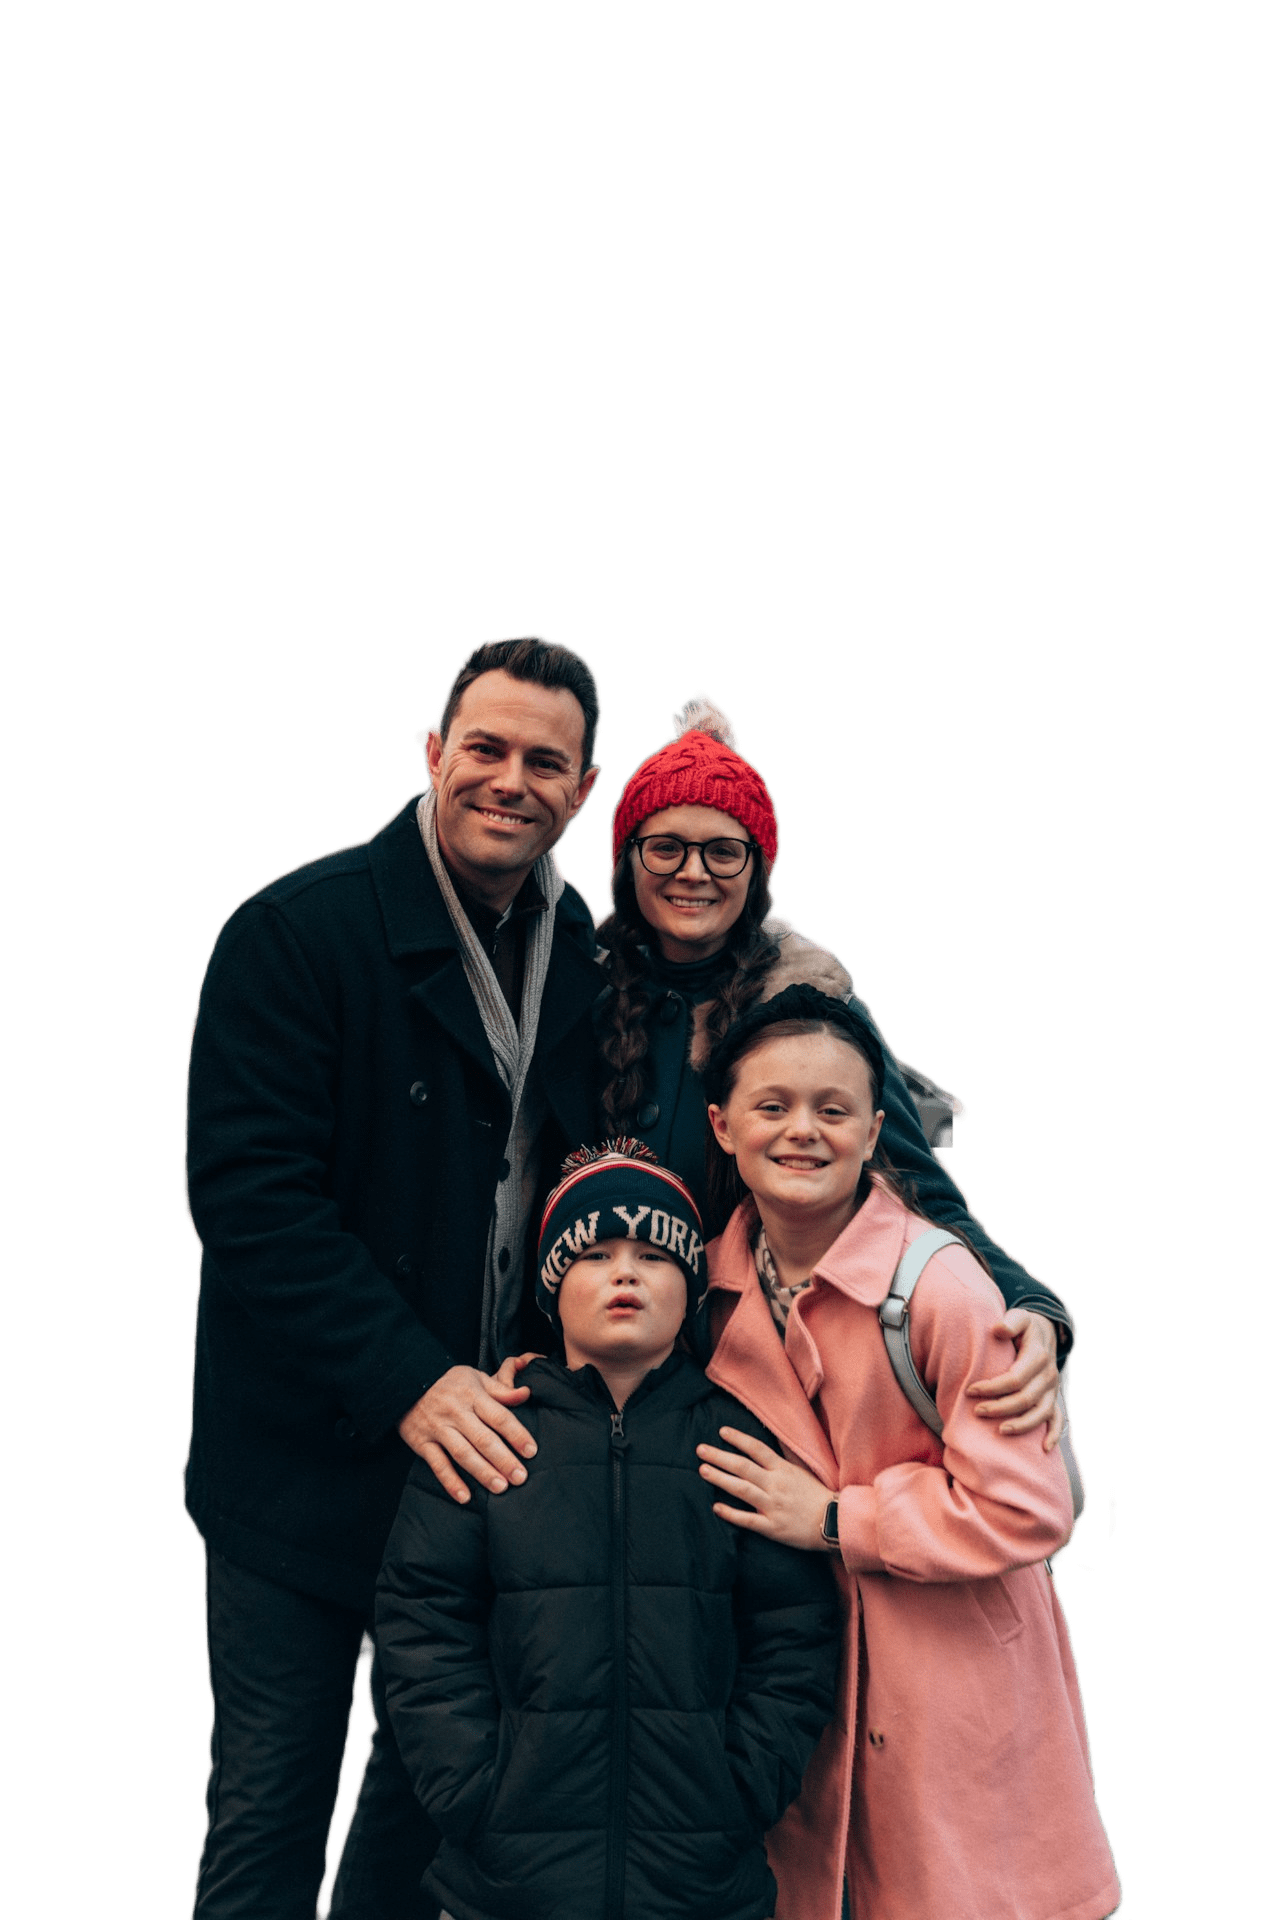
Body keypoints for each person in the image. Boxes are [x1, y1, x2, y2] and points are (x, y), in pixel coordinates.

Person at [182, 634, 607, 1920]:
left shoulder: (575, 943)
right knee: (269, 1807)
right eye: (484, 748)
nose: (509, 780)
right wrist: (409, 1376)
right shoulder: (293, 933)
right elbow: (251, 1202)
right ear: (432, 752)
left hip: (485, 1462)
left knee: (431, 1812)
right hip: (306, 1458)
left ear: (581, 791)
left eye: (545, 761)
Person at [695, 985, 1121, 1920]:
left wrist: (840, 1519)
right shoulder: (709, 1292)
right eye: (773, 1106)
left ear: (876, 1128)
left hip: (953, 1685)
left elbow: (1030, 1505)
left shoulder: (940, 1288)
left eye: (833, 1109)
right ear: (723, 1127)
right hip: (806, 1680)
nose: (802, 1131)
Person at [376, 1143, 841, 1920]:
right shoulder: (492, 1431)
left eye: (655, 1254)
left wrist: (742, 1784)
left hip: (700, 1881)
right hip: (511, 1882)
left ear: (692, 1287)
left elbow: (793, 1630)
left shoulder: (740, 1441)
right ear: (553, 1286)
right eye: (594, 1253)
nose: (625, 1272)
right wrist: (471, 1790)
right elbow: (421, 1618)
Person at [596, 693, 1074, 1447]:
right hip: (601, 1365)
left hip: (750, 1376)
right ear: (630, 858)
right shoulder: (579, 985)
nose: (694, 872)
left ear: (755, 868)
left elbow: (913, 1178)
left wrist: (1027, 1305)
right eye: (667, 846)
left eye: (723, 850)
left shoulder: (802, 999)